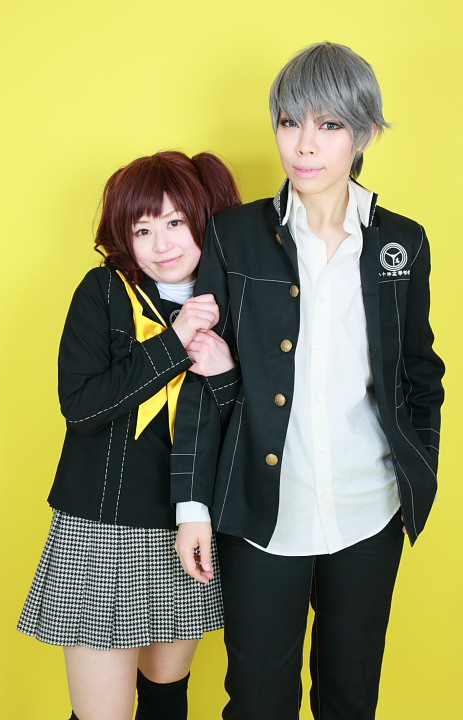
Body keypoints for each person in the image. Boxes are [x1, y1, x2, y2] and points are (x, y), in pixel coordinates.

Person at [172, 42, 445, 719]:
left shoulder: (401, 244)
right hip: (261, 513)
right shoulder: (233, 236)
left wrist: (418, 472)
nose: (304, 144)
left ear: (365, 133)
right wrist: (192, 508)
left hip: (369, 510)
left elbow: (419, 370)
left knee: (350, 697)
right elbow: (200, 378)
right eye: (289, 121)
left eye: (328, 125)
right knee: (258, 701)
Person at [18, 150, 241, 720]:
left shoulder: (236, 299)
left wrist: (224, 376)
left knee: (166, 698)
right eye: (143, 230)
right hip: (100, 530)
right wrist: (173, 342)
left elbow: (253, 428)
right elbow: (81, 406)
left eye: (175, 222)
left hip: (188, 529)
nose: (162, 244)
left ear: (202, 219)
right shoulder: (103, 291)